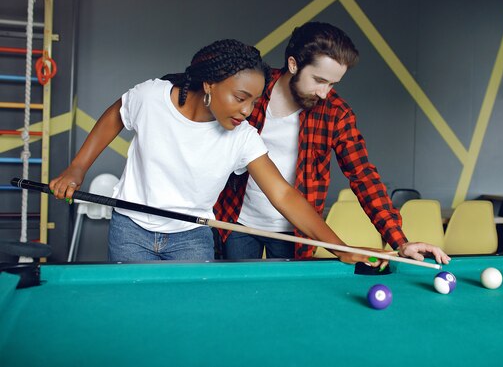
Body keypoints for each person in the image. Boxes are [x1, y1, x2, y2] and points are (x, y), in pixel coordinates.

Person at [50, 39, 388, 265]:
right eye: (240, 98)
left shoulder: (243, 137)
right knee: (135, 315)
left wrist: (342, 248)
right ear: (209, 85)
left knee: (190, 321)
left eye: (254, 101)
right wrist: (77, 168)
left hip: (191, 238)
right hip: (130, 231)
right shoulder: (153, 97)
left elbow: (286, 195)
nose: (247, 110)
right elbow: (115, 115)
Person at [214, 23, 451, 265]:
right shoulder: (253, 90)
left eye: (332, 84)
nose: (324, 93)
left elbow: (363, 176)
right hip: (236, 220)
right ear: (294, 64)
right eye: (319, 80)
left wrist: (400, 241)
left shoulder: (337, 113)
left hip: (299, 232)